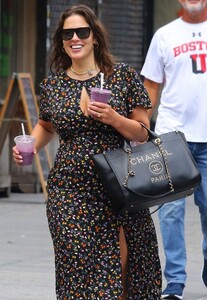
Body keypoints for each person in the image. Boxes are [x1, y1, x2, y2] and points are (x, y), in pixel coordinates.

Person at [13, 4, 162, 299]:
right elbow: (46, 125)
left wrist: (113, 118)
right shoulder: (54, 85)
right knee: (77, 267)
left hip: (118, 186)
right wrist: (29, 145)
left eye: (82, 31)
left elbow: (143, 134)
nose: (75, 38)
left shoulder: (121, 77)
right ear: (61, 40)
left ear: (95, 37)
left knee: (122, 269)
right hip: (68, 190)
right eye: (67, 33)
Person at [141, 0, 207, 299]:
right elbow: (151, 87)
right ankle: (175, 282)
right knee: (170, 213)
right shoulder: (165, 35)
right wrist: (141, 129)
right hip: (171, 138)